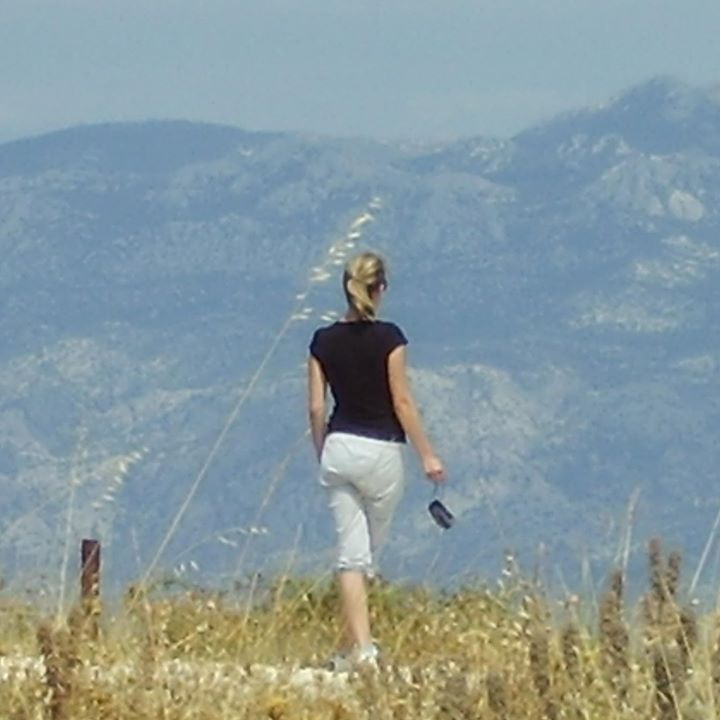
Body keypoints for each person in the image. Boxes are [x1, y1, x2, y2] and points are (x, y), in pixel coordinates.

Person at [307, 250, 445, 670]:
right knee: (365, 555)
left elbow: (316, 407)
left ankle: (352, 649)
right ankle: (364, 651)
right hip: (381, 450)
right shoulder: (390, 338)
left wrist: (322, 450)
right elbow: (401, 400)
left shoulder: (321, 340)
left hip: (339, 446)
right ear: (379, 289)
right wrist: (427, 454)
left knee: (351, 555)